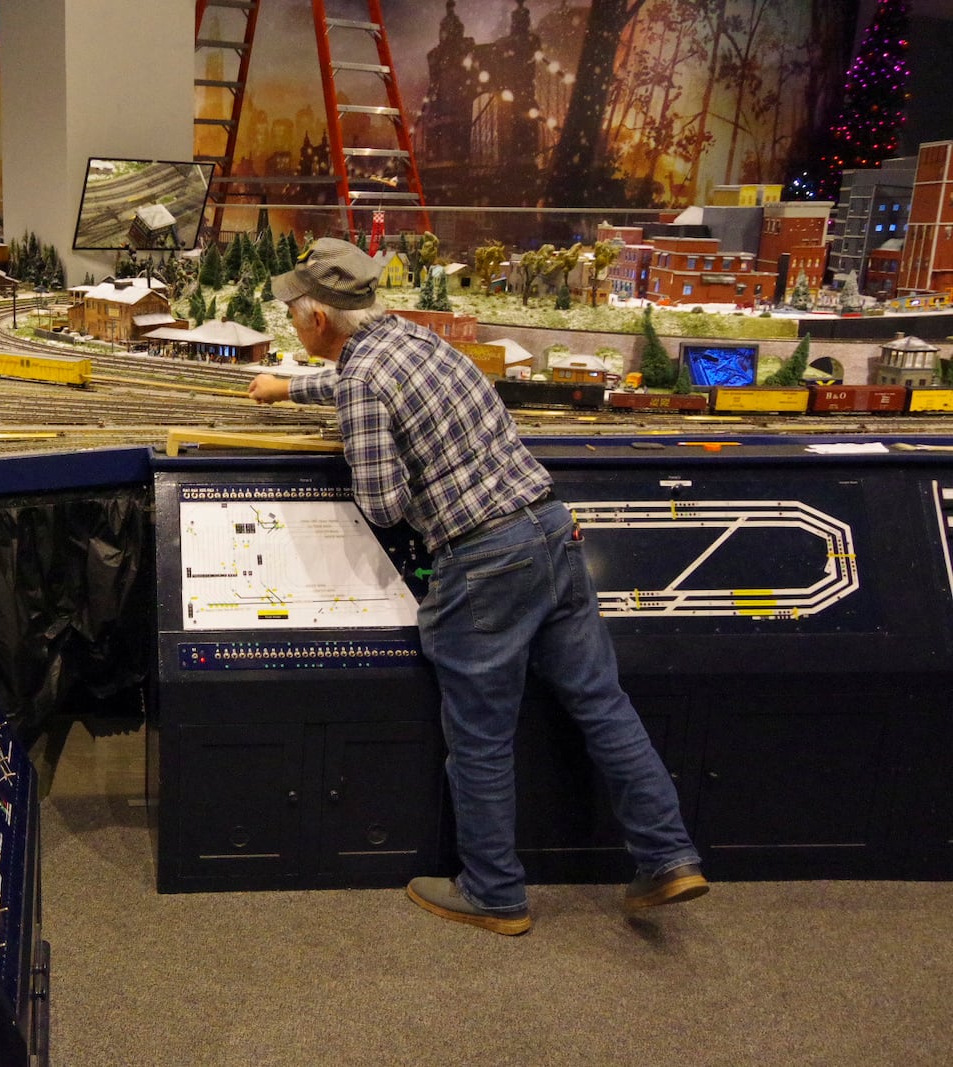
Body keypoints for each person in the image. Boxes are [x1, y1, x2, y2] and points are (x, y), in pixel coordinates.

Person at [250, 238, 706, 936]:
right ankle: (669, 855)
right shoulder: (417, 338)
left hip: (483, 558)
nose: (290, 322)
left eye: (292, 311)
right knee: (602, 703)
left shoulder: (363, 381)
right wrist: (291, 385)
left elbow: (383, 500)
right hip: (551, 529)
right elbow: (367, 378)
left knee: (482, 735)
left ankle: (494, 891)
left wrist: (361, 438)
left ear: (316, 320)